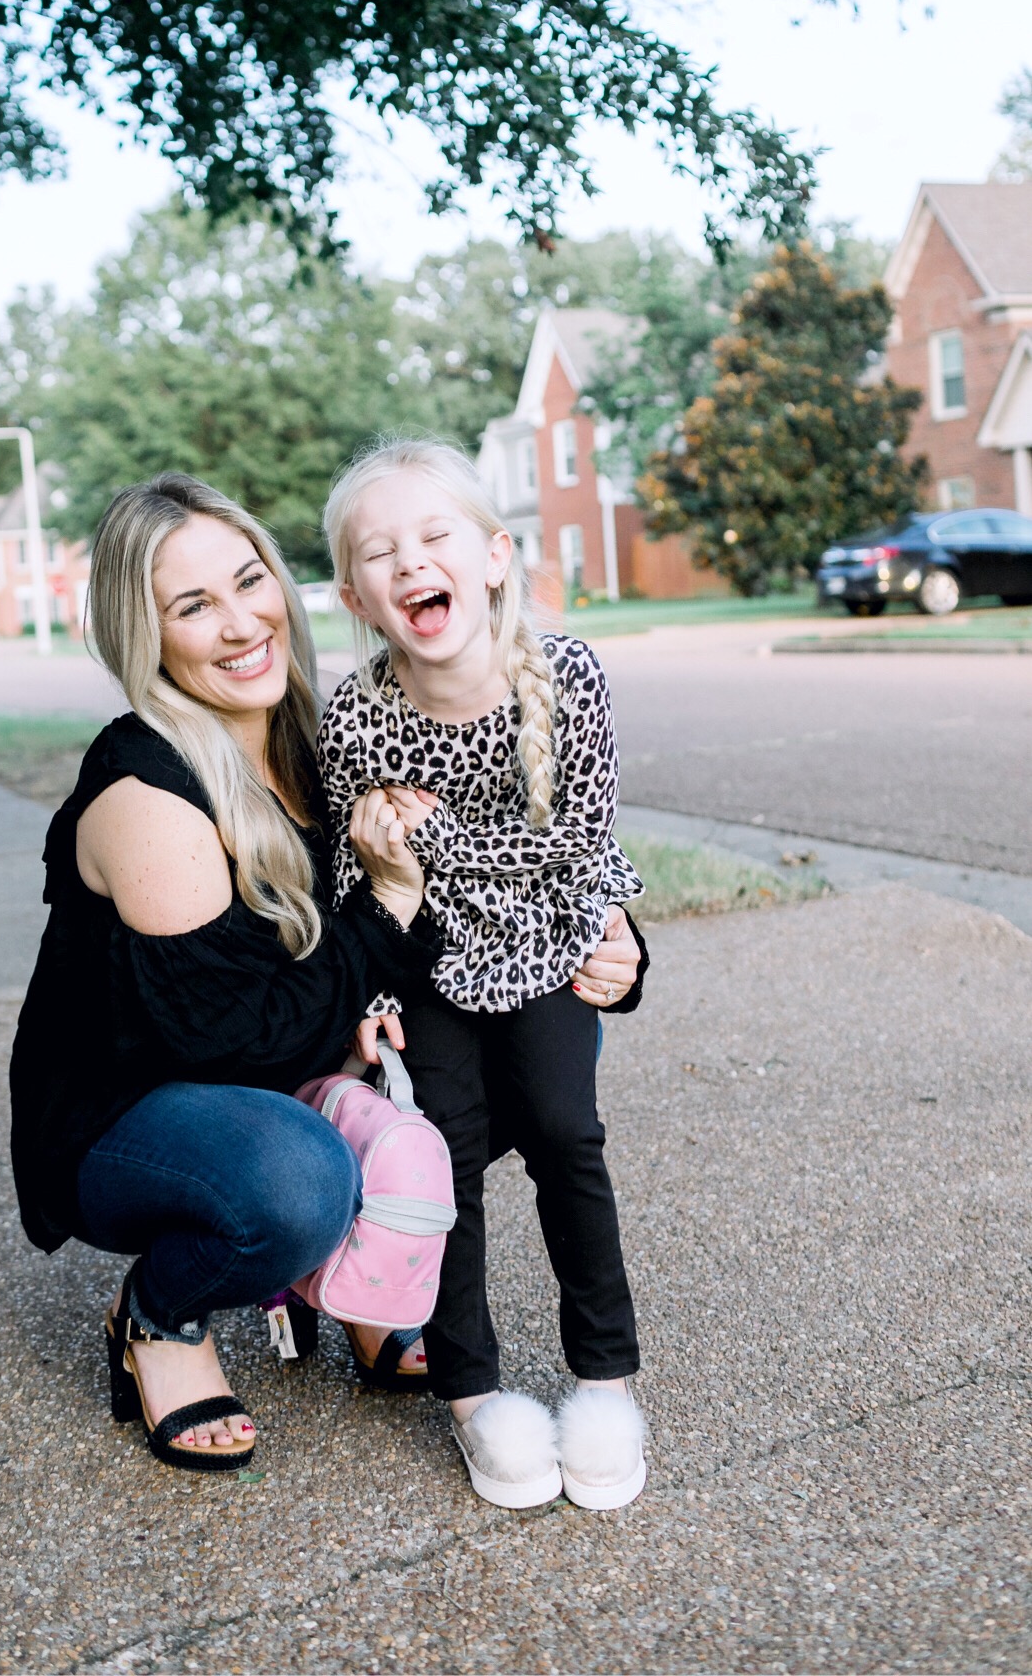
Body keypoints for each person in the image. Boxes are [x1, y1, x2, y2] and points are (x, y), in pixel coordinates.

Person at [9, 472, 443, 1474]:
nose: (242, 621)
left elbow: (476, 853)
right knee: (294, 1181)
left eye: (250, 582)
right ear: (145, 636)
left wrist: (612, 942)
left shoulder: (322, 737)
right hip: (132, 1111)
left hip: (274, 1073)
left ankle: (358, 1278)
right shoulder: (144, 788)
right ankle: (160, 1312)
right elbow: (227, 1038)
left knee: (507, 1042)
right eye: (193, 605)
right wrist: (380, 916)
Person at [319, 437, 650, 1512]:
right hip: (425, 960)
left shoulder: (571, 676)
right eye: (381, 550)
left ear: (494, 555)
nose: (411, 560)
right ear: (357, 593)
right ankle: (473, 1395)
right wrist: (374, 977)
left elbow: (576, 845)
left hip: (551, 936)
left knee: (565, 1127)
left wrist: (436, 842)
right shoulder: (358, 712)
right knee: (443, 1158)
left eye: (434, 535)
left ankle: (606, 1379)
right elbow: (347, 875)